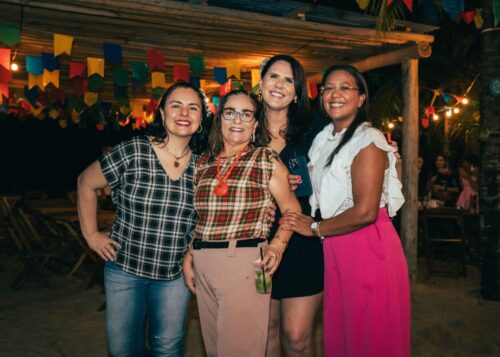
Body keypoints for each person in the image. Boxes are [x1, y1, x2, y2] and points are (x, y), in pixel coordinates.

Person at [281, 65, 410, 356]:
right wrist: (293, 181)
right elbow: (326, 190)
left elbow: (365, 210)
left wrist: (314, 228)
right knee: (346, 332)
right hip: (337, 244)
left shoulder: (368, 140)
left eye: (345, 88)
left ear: (361, 98)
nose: (334, 94)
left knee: (369, 335)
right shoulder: (325, 138)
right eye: (328, 88)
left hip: (367, 244)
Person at [77, 81, 208, 356]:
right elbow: (85, 183)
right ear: (162, 114)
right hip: (125, 269)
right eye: (176, 105)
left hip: (175, 275)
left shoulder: (203, 165)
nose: (184, 113)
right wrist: (91, 235)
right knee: (123, 349)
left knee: (168, 348)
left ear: (201, 118)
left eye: (193, 107)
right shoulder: (134, 150)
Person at [182, 90, 301, 357]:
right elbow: (203, 217)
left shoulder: (265, 159)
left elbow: (292, 208)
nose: (238, 119)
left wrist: (278, 246)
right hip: (203, 262)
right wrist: (190, 254)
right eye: (230, 112)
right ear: (220, 119)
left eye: (246, 114)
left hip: (247, 262)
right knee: (215, 350)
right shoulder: (203, 163)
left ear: (255, 124)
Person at [258, 54, 326, 357]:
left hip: (301, 239)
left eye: (289, 80)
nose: (280, 85)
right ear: (261, 84)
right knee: (266, 334)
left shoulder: (316, 131)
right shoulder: (242, 128)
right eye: (273, 76)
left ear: (297, 92)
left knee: (297, 337)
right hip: (256, 241)